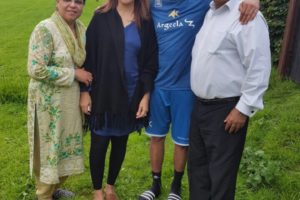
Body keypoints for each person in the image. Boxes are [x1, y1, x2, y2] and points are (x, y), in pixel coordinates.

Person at [138, 0, 260, 200]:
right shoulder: (154, 4)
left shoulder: (202, 3)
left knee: (182, 142)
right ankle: (155, 183)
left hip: (186, 87)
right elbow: (128, 6)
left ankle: (175, 187)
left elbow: (231, 3)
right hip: (159, 85)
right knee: (156, 137)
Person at [188, 0, 271, 199]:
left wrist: (243, 109)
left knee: (221, 177)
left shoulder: (247, 15)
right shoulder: (210, 13)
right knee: (198, 172)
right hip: (199, 106)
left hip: (226, 110)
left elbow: (259, 66)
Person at [79, 0, 158, 199]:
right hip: (103, 93)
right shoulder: (101, 17)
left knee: (120, 142)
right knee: (99, 142)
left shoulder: (145, 21)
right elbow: (88, 57)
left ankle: (110, 186)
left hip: (131, 94)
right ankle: (97, 190)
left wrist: (146, 96)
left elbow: (150, 62)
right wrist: (85, 91)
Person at [27, 0, 92, 199]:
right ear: (57, 2)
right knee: (50, 151)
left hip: (69, 101)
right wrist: (73, 74)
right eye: (67, 0)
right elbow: (35, 68)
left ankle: (55, 190)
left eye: (79, 2)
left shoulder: (80, 29)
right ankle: (44, 195)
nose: (73, 5)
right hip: (48, 104)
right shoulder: (45, 28)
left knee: (65, 148)